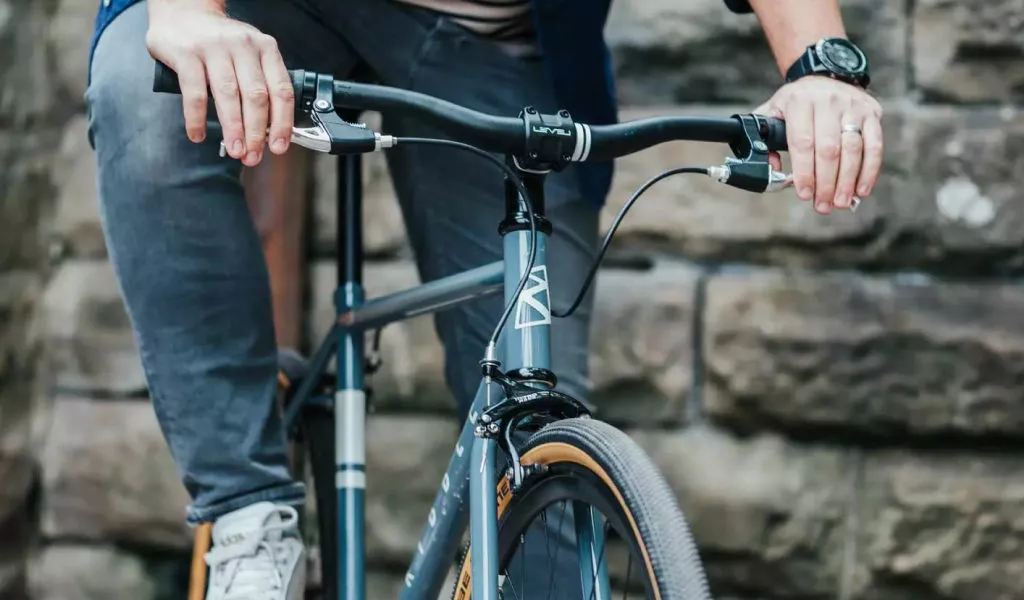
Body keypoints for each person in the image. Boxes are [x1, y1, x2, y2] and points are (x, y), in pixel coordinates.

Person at [85, 0, 883, 598]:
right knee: (144, 89)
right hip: (278, 9)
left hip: (500, 43)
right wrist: (190, 13)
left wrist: (820, 66)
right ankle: (246, 513)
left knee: (544, 464)